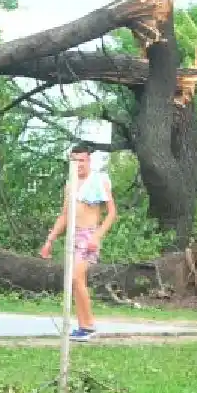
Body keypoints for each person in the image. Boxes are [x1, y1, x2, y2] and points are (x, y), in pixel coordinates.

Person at [39, 143, 117, 342]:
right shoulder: (70, 184)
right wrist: (50, 240)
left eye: (81, 160)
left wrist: (97, 236)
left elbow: (111, 213)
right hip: (73, 236)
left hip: (89, 234)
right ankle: (83, 326)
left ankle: (89, 325)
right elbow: (65, 215)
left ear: (88, 160)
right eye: (74, 161)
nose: (78, 165)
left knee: (75, 277)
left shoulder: (99, 181)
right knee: (76, 282)